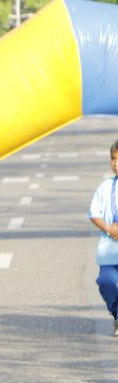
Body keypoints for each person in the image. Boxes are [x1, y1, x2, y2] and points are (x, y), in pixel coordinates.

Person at [87, 138, 118, 336]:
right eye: (113, 158)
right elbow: (94, 213)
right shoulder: (105, 187)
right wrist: (109, 228)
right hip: (109, 250)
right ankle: (116, 312)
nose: (115, 163)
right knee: (107, 282)